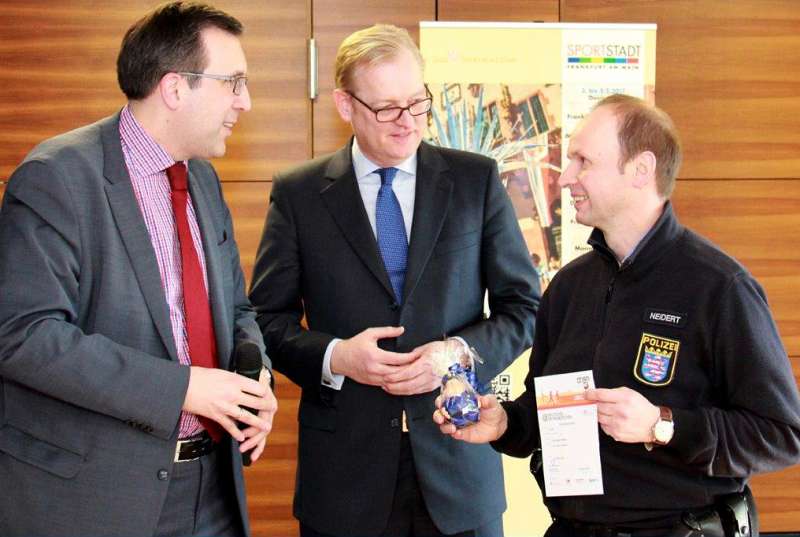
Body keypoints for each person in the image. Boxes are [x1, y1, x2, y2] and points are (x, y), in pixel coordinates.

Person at [435, 94, 800, 536]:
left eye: (583, 161)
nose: (566, 177)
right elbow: (544, 412)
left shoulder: (720, 288)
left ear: (640, 170)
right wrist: (505, 423)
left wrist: (661, 424)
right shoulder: (568, 288)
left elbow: (780, 434)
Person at [249, 24, 539, 537]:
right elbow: (265, 321)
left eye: (417, 103)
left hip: (458, 467)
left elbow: (524, 308)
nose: (407, 122)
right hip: (343, 480)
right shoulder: (298, 194)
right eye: (386, 108)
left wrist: (453, 354)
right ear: (345, 104)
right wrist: (337, 356)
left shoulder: (475, 180)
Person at [0, 3, 277, 536]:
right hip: (96, 498)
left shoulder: (203, 180)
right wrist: (182, 389)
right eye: (233, 83)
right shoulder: (56, 177)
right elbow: (23, 335)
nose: (246, 101)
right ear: (175, 88)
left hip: (213, 490)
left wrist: (253, 379)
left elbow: (237, 310)